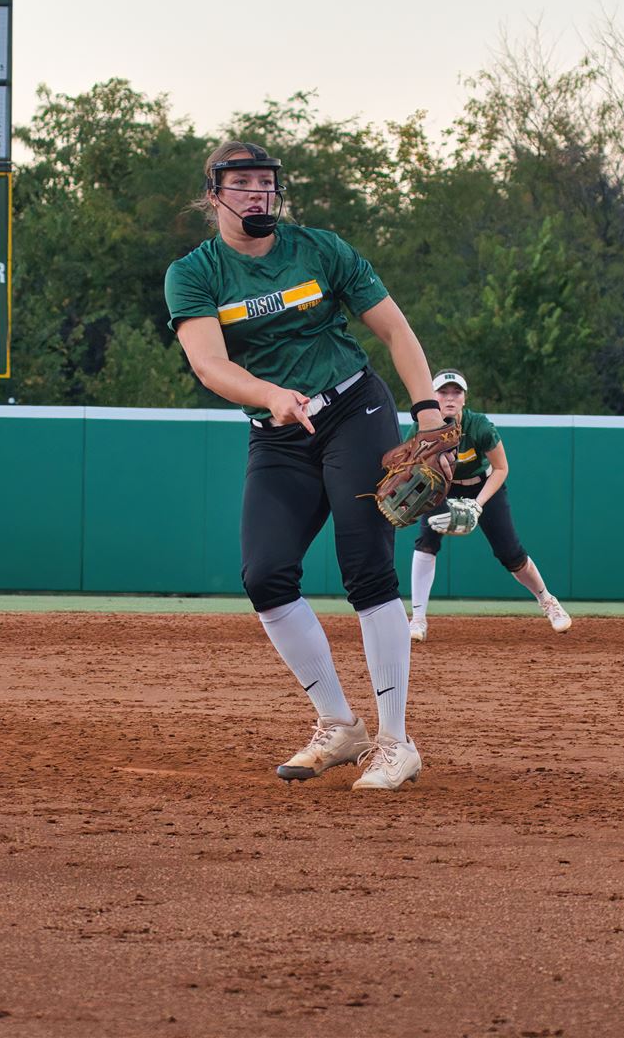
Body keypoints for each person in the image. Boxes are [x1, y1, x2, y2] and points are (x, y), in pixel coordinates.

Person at [166, 139, 451, 791]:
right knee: (265, 575)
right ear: (213, 194)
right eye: (241, 183)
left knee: (366, 569)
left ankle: (395, 742)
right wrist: (271, 396)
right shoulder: (195, 273)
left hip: (354, 410)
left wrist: (429, 414)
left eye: (266, 181)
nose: (257, 192)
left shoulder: (320, 249)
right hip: (279, 432)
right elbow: (209, 364)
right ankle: (340, 725)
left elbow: (396, 330)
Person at [407, 370, 572, 641]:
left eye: (456, 392)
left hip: (482, 486)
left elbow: (501, 468)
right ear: (433, 397)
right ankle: (418, 619)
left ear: (464, 398)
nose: (450, 398)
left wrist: (477, 505)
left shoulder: (478, 425)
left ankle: (548, 601)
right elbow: (412, 469)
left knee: (511, 554)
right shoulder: (422, 426)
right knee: (426, 542)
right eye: (443, 392)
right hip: (441, 487)